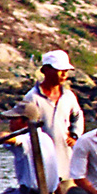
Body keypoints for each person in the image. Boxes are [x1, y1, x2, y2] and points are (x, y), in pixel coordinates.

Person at [24, 50, 84, 178]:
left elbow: (78, 116)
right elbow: (23, 125)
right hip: (43, 161)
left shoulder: (68, 96)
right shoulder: (32, 97)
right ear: (45, 70)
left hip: (66, 160)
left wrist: (75, 135)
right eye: (59, 70)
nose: (63, 74)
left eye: (66, 71)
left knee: (68, 192)